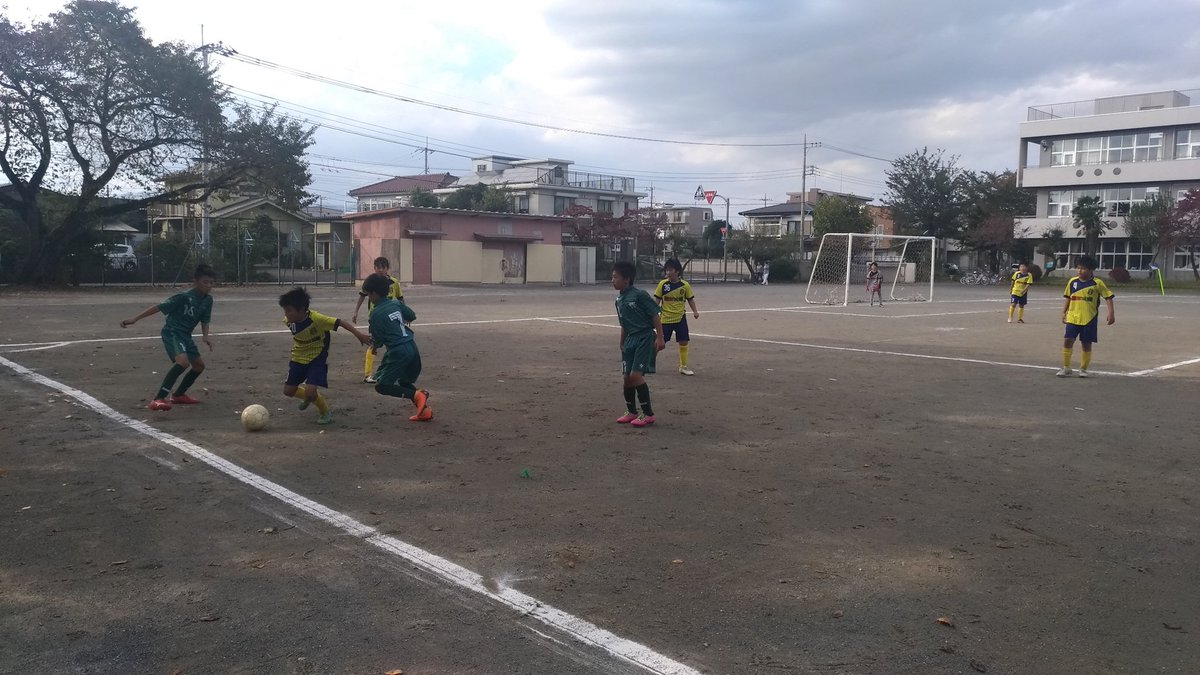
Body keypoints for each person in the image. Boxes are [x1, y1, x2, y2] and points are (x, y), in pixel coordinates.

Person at [120, 263, 217, 411]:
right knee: (183, 362)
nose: (209, 286)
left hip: (185, 335)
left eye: (211, 283)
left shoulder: (208, 300)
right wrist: (135, 319)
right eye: (205, 282)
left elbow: (205, 319)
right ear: (195, 281)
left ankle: (178, 395)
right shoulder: (183, 297)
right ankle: (158, 398)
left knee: (198, 366)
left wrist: (205, 336)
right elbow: (159, 307)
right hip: (172, 332)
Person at [279, 287, 372, 425]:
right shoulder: (288, 320)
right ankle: (308, 396)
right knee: (288, 391)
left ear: (302, 309)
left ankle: (324, 411)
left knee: (311, 393)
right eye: (285, 310)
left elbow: (341, 322)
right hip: (298, 358)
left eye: (289, 310)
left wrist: (359, 335)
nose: (286, 314)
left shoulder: (317, 319)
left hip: (317, 357)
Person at [363, 273, 432, 421]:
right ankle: (424, 410)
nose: (369, 297)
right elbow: (411, 316)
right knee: (403, 381)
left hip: (398, 352)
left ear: (374, 293)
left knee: (382, 386)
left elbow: (379, 340)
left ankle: (418, 395)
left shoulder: (375, 314)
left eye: (368, 294)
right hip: (412, 347)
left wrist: (374, 346)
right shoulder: (396, 303)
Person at [612, 260, 665, 428]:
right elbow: (624, 323)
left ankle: (648, 414)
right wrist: (622, 342)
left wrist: (660, 338)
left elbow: (655, 315)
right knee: (627, 378)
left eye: (615, 277)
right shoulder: (619, 300)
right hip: (630, 340)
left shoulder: (639, 295)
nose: (612, 280)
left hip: (644, 337)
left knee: (636, 376)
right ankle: (632, 411)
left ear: (626, 279)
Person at [1058, 256, 1115, 378]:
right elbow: (1068, 297)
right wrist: (1064, 312)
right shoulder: (1072, 282)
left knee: (1086, 343)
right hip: (1073, 317)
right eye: (1078, 268)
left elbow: (1108, 297)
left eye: (1083, 268)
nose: (1079, 271)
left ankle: (1083, 369)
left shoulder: (1097, 283)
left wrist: (1111, 313)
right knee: (1068, 340)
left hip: (1089, 318)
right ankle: (1066, 367)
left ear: (1090, 270)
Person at [352, 257, 404, 384]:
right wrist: (356, 312)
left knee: (391, 345)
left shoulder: (394, 282)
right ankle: (368, 374)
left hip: (391, 318)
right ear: (374, 268)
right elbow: (362, 296)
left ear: (387, 268)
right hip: (376, 318)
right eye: (378, 267)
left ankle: (389, 372)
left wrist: (403, 315)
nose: (380, 270)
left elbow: (400, 299)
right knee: (373, 344)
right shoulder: (371, 282)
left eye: (383, 267)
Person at [654, 258, 700, 376]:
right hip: (666, 319)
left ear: (677, 271)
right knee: (659, 343)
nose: (668, 272)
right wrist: (653, 313)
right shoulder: (662, 284)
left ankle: (683, 367)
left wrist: (695, 311)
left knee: (684, 341)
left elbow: (690, 300)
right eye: (667, 270)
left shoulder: (685, 285)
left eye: (670, 270)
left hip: (680, 318)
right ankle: (649, 363)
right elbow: (656, 301)